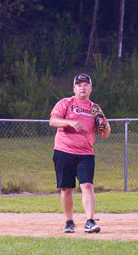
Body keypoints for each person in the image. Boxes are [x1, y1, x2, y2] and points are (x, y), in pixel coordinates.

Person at [49, 73, 111, 234]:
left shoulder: (94, 108)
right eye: (79, 84)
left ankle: (90, 221)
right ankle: (69, 222)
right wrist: (69, 122)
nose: (82, 87)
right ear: (74, 88)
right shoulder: (66, 103)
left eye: (85, 84)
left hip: (85, 153)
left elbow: (104, 134)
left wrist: (104, 123)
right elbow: (53, 121)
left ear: (90, 88)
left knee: (87, 185)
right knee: (66, 188)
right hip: (64, 150)